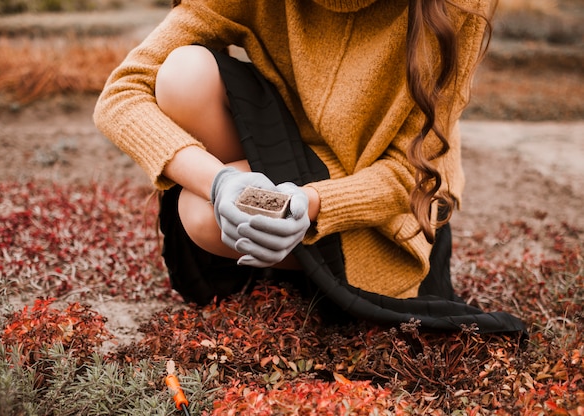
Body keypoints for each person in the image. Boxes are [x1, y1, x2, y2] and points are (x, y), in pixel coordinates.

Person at [94, 0, 526, 334]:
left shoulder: (456, 7)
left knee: (201, 215)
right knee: (183, 75)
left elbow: (416, 174)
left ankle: (307, 261)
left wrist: (312, 204)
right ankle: (270, 246)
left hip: (380, 207)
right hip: (287, 154)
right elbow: (122, 93)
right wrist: (220, 181)